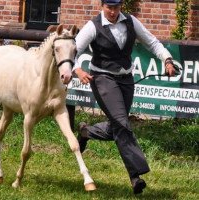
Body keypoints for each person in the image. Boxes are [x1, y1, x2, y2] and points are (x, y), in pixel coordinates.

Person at [73, 0, 176, 194]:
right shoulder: (93, 26)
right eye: (109, 7)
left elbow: (152, 42)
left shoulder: (131, 21)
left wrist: (167, 60)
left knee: (118, 125)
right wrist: (77, 69)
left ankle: (87, 131)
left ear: (121, 7)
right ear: (102, 6)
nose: (113, 12)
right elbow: (73, 49)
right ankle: (135, 176)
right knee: (121, 123)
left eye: (116, 8)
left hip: (126, 79)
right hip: (102, 78)